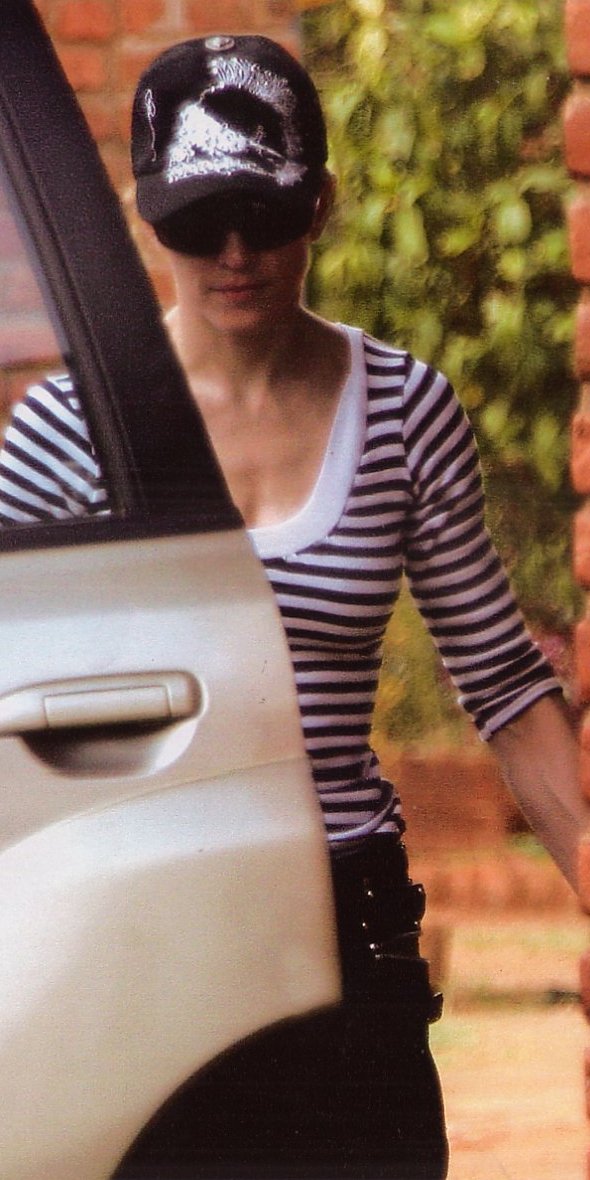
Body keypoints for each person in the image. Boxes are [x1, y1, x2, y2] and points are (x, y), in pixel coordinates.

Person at [0, 33, 585, 1180]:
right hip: (142, 922)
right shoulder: (70, 431)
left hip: (340, 924)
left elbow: (503, 687)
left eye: (262, 217)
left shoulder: (401, 411)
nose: (233, 253)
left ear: (318, 203)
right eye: (198, 219)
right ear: (145, 216)